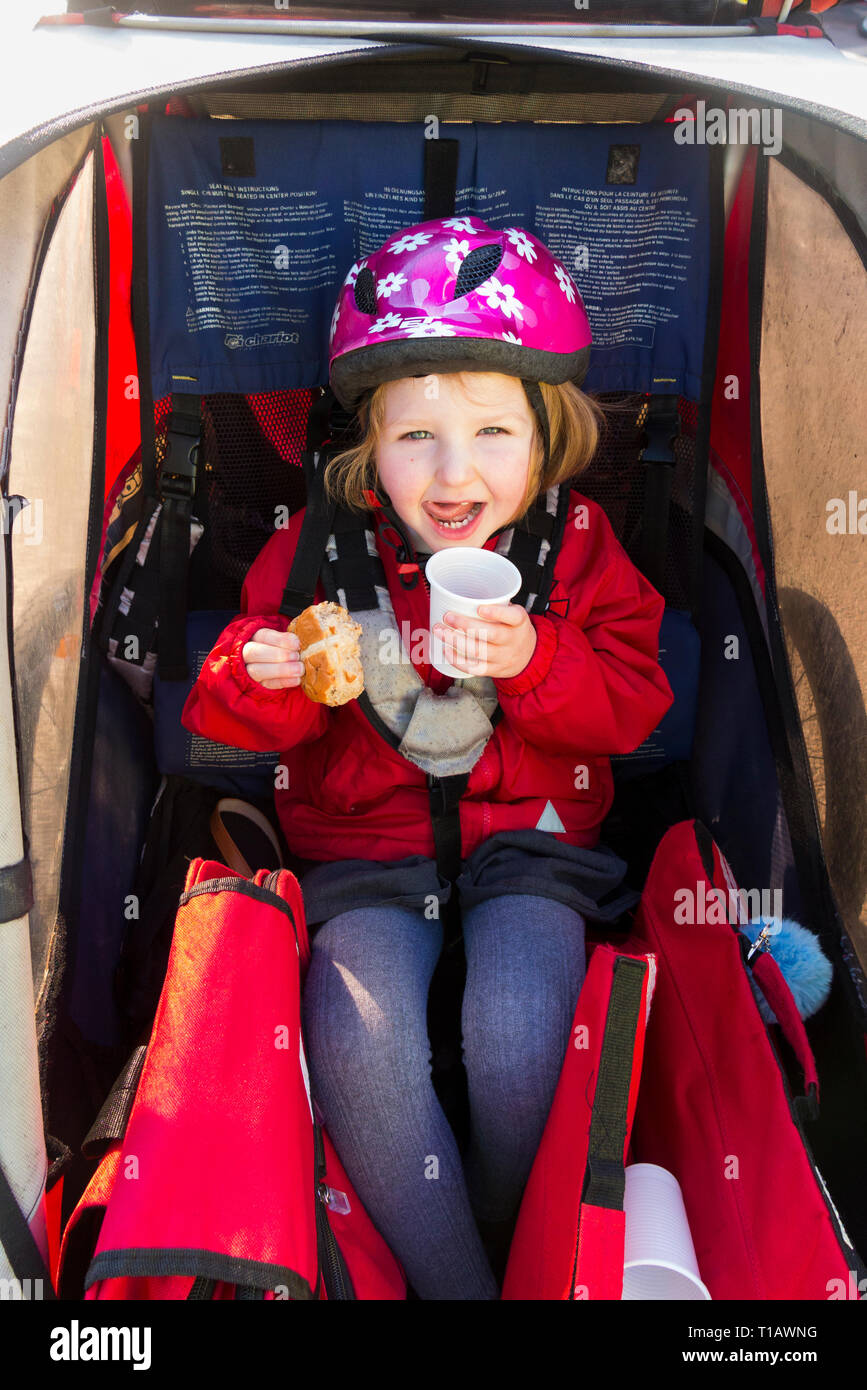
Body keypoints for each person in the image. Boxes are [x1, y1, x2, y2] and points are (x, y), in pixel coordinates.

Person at [181, 217, 674, 1299]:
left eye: (495, 433)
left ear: (548, 438)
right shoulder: (321, 544)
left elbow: (636, 703)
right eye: (416, 440)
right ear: (368, 448)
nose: (455, 475)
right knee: (364, 1051)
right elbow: (227, 701)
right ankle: (455, 1280)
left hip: (533, 849)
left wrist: (539, 656)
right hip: (363, 853)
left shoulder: (576, 542)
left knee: (514, 1037)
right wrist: (264, 674)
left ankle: (510, 1226)